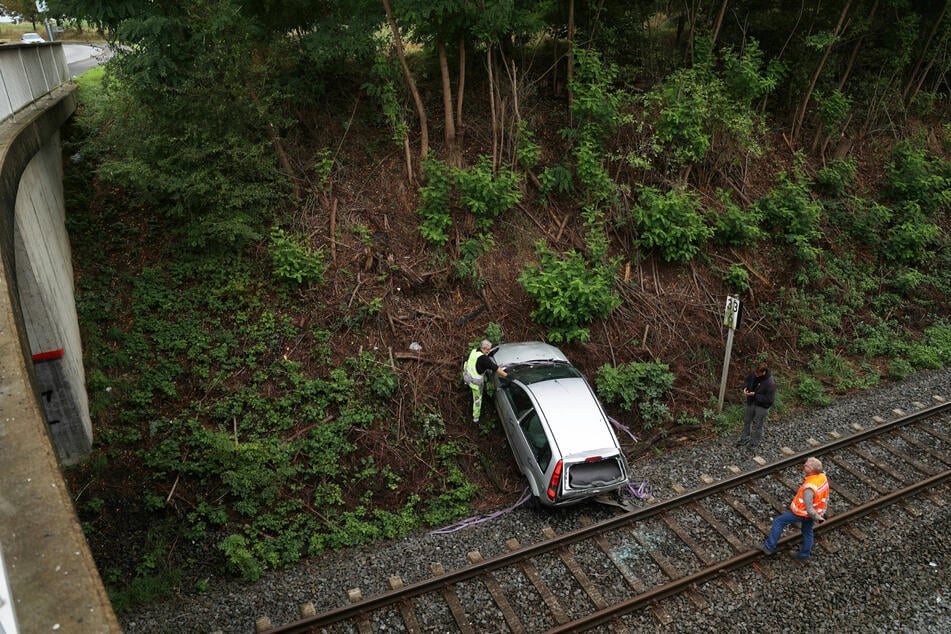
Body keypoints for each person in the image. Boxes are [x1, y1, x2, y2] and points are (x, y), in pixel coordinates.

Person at [758, 457, 830, 560]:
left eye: (806, 465)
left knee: (779, 521)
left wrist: (818, 518)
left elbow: (809, 509)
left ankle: (769, 547)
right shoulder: (822, 478)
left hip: (803, 513)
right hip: (815, 511)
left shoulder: (809, 488)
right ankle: (804, 555)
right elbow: (825, 496)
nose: (804, 465)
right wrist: (819, 513)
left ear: (810, 470)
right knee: (807, 531)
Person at [462, 339, 508, 424]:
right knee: (477, 400)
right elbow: (496, 368)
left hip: (466, 376)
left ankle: (465, 384)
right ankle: (476, 418)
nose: (489, 351)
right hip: (475, 384)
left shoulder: (474, 351)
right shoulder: (484, 359)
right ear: (484, 348)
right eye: (488, 349)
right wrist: (507, 376)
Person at [735, 364, 776, 447]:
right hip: (751, 402)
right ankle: (745, 438)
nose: (756, 375)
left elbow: (769, 400)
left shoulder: (770, 383)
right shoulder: (754, 373)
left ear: (763, 372)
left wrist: (755, 395)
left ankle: (755, 442)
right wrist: (745, 387)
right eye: (755, 373)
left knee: (758, 425)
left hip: (762, 406)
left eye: (758, 374)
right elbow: (747, 381)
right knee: (747, 421)